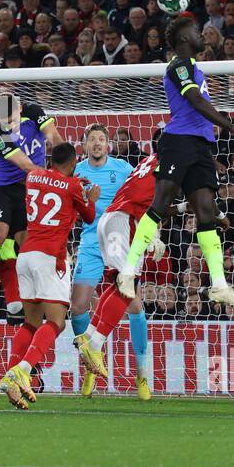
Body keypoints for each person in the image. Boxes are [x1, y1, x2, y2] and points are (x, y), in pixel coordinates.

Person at [118, 13, 234, 310]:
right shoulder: (178, 66)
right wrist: (231, 127)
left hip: (200, 147)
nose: (202, 32)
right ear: (183, 39)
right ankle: (128, 271)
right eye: (195, 30)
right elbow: (195, 101)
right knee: (160, 201)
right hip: (177, 142)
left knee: (206, 210)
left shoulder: (194, 66)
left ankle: (219, 284)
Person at [0, 142, 97, 410]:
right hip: (50, 258)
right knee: (56, 322)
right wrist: (91, 196)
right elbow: (89, 216)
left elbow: (56, 190)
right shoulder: (75, 186)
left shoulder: (34, 176)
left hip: (26, 255)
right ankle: (24, 369)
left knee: (30, 323)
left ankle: (11, 377)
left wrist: (74, 188)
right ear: (74, 162)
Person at [0, 92, 62, 319]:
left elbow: (54, 137)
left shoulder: (35, 113)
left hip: (29, 192)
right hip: (3, 189)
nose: (9, 125)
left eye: (11, 119)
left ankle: (32, 299)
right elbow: (25, 164)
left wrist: (64, 161)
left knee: (26, 246)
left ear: (20, 109)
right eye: (4, 120)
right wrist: (57, 179)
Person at [66, 123, 141, 394]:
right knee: (77, 307)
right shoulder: (76, 172)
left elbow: (142, 195)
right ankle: (92, 361)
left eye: (101, 139)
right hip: (89, 243)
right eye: (92, 139)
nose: (97, 143)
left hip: (119, 239)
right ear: (84, 144)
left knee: (134, 305)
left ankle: (142, 376)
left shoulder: (123, 169)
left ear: (107, 144)